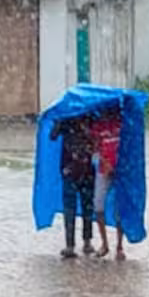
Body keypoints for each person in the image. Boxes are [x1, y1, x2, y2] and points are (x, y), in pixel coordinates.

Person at [50, 114, 95, 258]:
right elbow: (52, 136)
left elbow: (97, 141)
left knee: (87, 207)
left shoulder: (91, 118)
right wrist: (58, 121)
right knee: (70, 209)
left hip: (86, 171)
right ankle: (70, 245)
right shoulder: (66, 121)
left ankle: (86, 241)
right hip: (70, 171)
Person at [90, 104, 125, 260]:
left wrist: (118, 166)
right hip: (103, 171)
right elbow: (95, 150)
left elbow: (129, 149)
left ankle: (119, 246)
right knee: (98, 205)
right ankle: (104, 244)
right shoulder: (98, 127)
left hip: (121, 172)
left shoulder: (122, 126)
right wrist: (105, 163)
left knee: (120, 208)